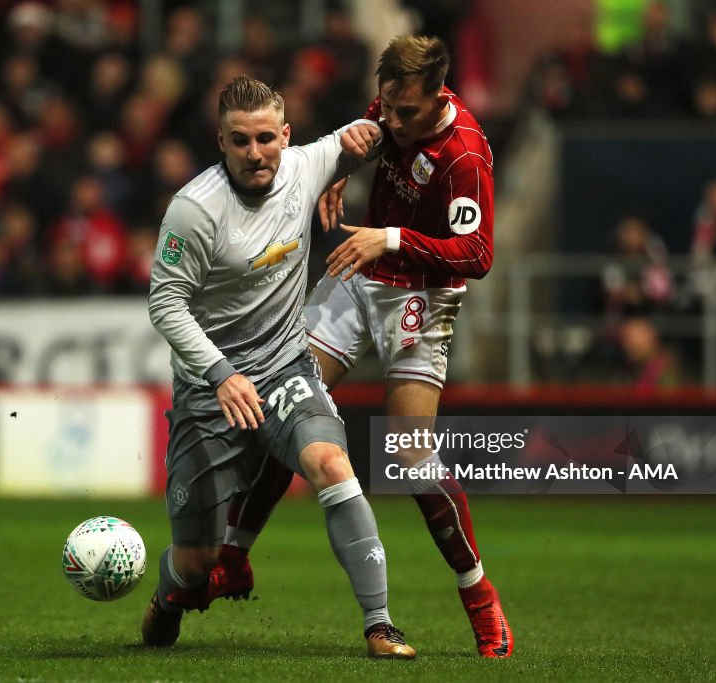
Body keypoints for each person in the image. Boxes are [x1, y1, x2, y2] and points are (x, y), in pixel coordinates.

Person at [207, 36, 515, 659]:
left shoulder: (464, 157)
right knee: (281, 405)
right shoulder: (388, 108)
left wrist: (392, 238)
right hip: (359, 275)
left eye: (405, 114)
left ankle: (479, 594)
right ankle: (233, 557)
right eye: (387, 107)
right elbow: (358, 139)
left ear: (438, 96)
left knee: (409, 458)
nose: (391, 121)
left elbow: (477, 256)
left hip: (421, 299)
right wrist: (340, 174)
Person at [142, 75, 415, 659]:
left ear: (285, 135)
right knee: (196, 562)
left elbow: (378, 128)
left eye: (266, 138)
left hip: (287, 367)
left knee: (331, 464)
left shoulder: (307, 163)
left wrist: (350, 165)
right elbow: (165, 303)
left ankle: (380, 624)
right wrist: (219, 373)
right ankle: (170, 597)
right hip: (211, 391)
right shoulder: (193, 211)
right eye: (240, 141)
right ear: (221, 140)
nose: (255, 152)